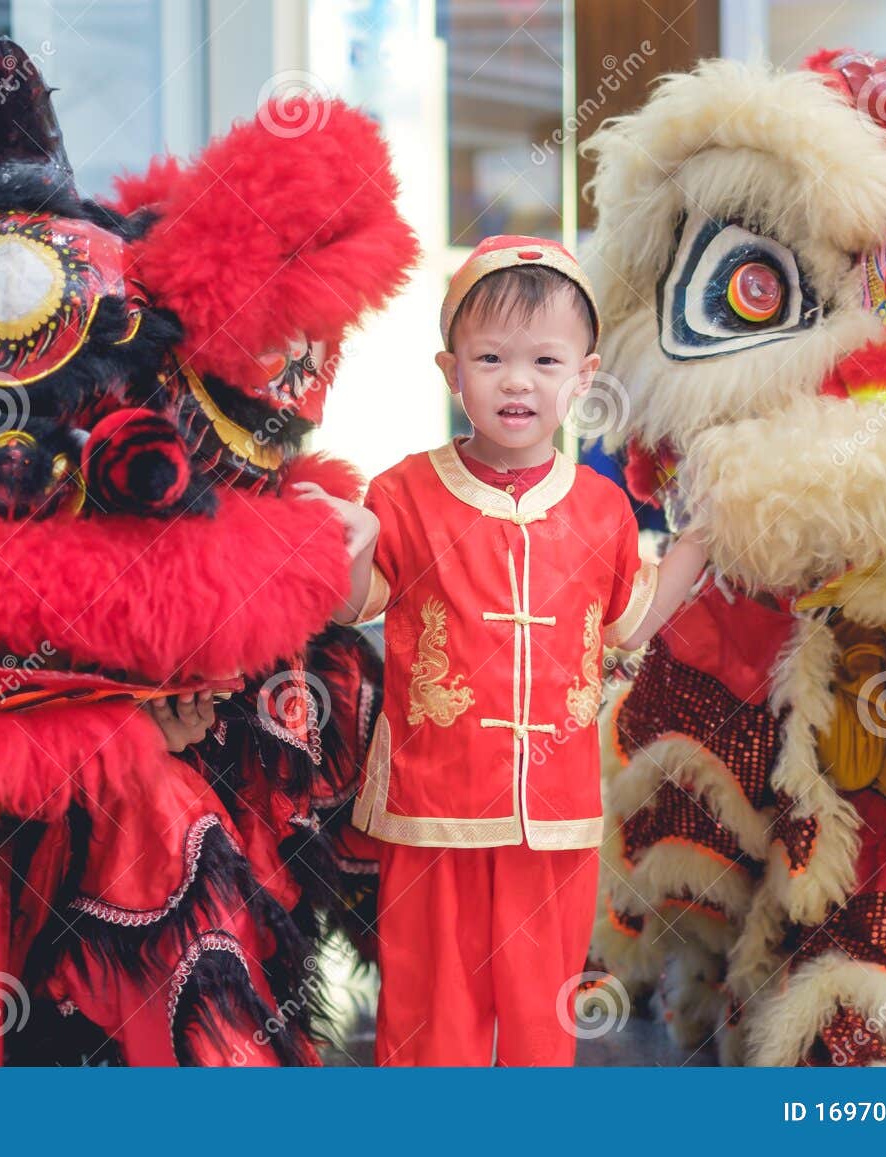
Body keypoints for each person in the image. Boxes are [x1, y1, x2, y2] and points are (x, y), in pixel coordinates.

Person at [296, 235, 705, 1065]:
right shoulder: (403, 492)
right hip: (431, 804)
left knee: (538, 1009)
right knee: (428, 1006)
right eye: (490, 357)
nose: (517, 380)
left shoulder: (602, 508)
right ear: (452, 372)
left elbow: (627, 626)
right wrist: (349, 542)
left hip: (552, 816)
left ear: (583, 378)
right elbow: (348, 607)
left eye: (545, 359)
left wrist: (699, 544)